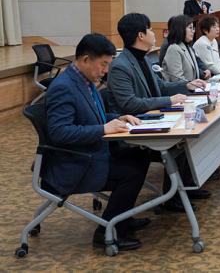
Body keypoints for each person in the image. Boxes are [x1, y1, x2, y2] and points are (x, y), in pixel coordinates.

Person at [44, 33, 150, 251]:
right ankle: (106, 233)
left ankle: (122, 218)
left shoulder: (84, 80)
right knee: (130, 172)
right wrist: (103, 129)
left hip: (92, 152)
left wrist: (119, 118)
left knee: (140, 155)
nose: (106, 70)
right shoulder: (64, 87)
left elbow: (92, 117)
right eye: (103, 64)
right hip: (74, 163)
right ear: (85, 60)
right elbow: (59, 133)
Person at [107, 13, 210, 211]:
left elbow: (160, 85)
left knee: (187, 138)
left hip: (151, 118)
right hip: (131, 128)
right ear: (140, 35)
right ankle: (172, 198)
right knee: (178, 143)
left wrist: (186, 85)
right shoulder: (121, 66)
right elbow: (130, 103)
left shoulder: (143, 58)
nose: (154, 33)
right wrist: (169, 100)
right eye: (150, 29)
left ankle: (186, 187)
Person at [162, 15, 206, 82]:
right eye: (190, 28)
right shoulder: (174, 49)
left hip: (193, 87)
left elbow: (195, 72)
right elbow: (177, 79)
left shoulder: (188, 47)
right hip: (182, 88)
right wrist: (194, 85)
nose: (193, 31)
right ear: (181, 29)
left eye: (193, 28)